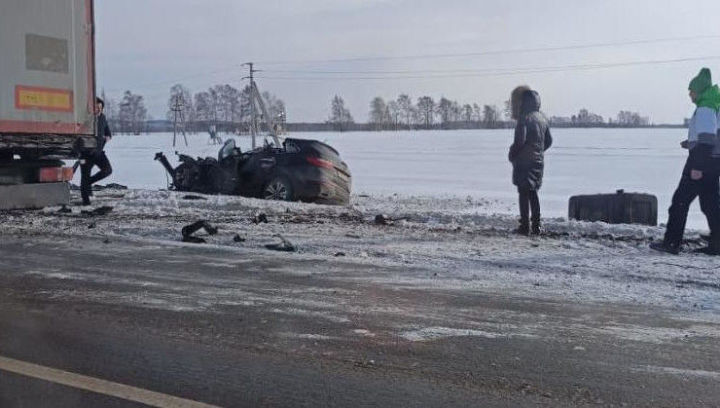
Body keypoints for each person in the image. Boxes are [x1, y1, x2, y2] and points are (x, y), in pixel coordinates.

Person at [651, 68, 720, 255]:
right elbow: (711, 137)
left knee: (679, 202)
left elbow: (707, 139)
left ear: (699, 90)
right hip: (714, 162)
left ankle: (671, 243)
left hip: (701, 162)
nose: (690, 94)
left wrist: (697, 167)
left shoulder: (706, 107)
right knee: (711, 205)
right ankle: (717, 245)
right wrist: (690, 143)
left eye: (692, 91)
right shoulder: (714, 104)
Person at [508, 86, 553, 235]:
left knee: (523, 193)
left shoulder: (525, 119)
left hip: (524, 162)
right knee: (533, 192)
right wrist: (538, 151)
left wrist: (513, 154)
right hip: (538, 162)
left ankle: (524, 226)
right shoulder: (542, 119)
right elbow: (549, 140)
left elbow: (520, 141)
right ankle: (536, 225)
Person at [80, 97, 113, 206]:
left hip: (98, 153)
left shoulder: (103, 118)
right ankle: (86, 202)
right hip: (86, 153)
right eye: (96, 107)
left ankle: (88, 182)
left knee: (107, 170)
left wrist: (106, 138)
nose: (98, 109)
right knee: (85, 175)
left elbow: (108, 132)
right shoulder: (87, 118)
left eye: (100, 107)